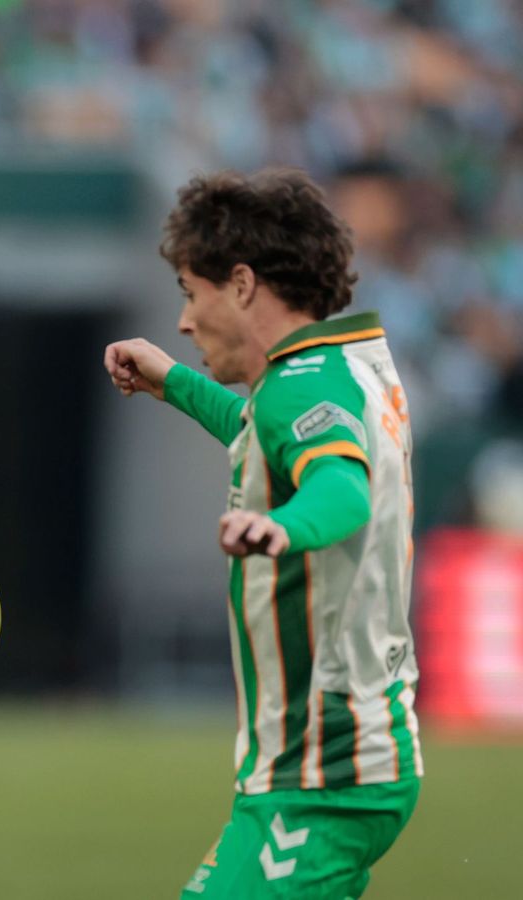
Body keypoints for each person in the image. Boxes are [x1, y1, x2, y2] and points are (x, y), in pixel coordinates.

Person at [104, 169, 422, 898]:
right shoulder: (337, 367)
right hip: (328, 765)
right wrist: (175, 384)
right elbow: (262, 436)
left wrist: (281, 529)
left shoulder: (302, 386)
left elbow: (343, 488)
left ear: (242, 284)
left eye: (190, 292)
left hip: (328, 776)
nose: (183, 322)